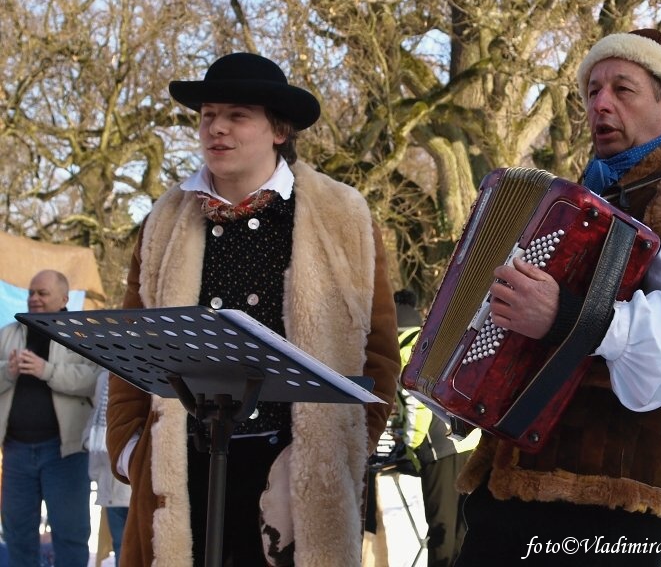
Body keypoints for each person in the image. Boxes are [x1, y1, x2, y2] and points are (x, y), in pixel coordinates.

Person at [454, 29, 661, 566]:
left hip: (616, 499)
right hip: (511, 485)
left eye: (624, 89)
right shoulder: (572, 202)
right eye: (593, 90)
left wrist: (567, 316)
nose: (601, 103)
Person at [106, 52, 400, 567]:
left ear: (279, 129)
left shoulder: (341, 216)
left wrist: (341, 452)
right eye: (207, 115)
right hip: (185, 471)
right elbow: (132, 353)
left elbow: (378, 358)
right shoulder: (163, 221)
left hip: (293, 478)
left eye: (237, 114)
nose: (216, 127)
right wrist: (133, 453)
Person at [0, 269, 100, 567]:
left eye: (42, 293)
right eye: (31, 292)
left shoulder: (81, 334)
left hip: (65, 453)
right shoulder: (9, 333)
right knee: (17, 535)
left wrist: (48, 371)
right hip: (16, 452)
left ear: (64, 298)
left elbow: (95, 380)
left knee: (70, 536)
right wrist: (9, 371)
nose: (34, 299)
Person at [393, 289, 479, 567]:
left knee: (441, 528)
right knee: (461, 527)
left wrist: (412, 447)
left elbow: (414, 405)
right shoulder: (430, 339)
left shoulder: (402, 348)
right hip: (466, 444)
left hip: (436, 449)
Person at [84, 370, 131, 567]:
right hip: (110, 485)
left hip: (132, 485)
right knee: (121, 546)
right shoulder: (104, 378)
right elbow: (95, 419)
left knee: (133, 547)